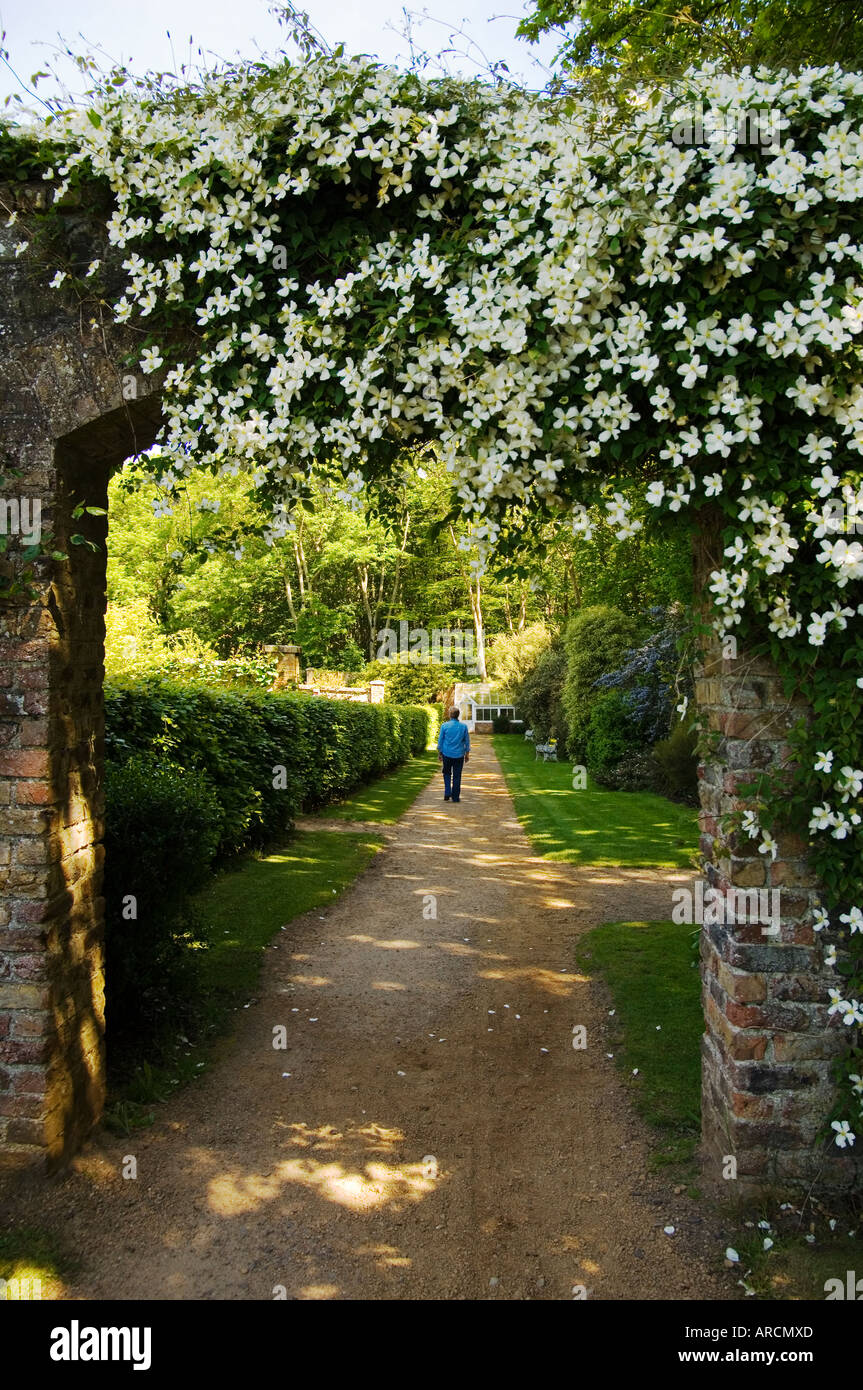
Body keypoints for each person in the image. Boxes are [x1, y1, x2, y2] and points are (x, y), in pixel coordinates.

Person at [437, 705, 470, 803]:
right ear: (458, 715)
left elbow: (440, 741)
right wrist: (467, 754)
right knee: (457, 775)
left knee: (446, 773)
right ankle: (455, 797)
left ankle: (447, 792)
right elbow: (467, 741)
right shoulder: (463, 727)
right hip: (459, 754)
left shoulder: (444, 726)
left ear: (450, 715)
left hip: (447, 753)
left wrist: (440, 752)